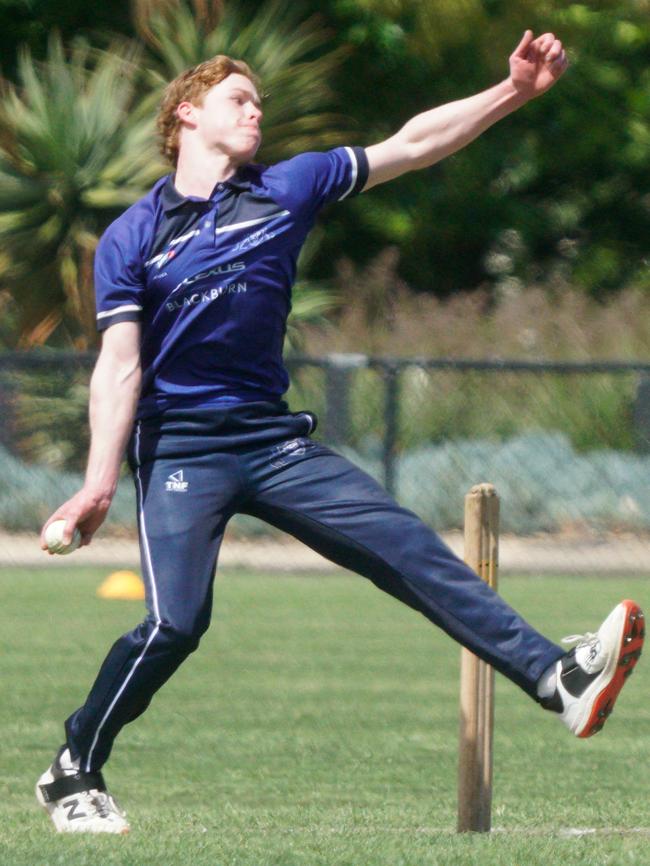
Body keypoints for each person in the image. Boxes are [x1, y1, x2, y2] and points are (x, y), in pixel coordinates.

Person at [35, 30, 644, 834]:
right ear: (186, 113)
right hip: (181, 448)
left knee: (408, 546)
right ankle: (75, 765)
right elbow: (119, 366)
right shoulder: (132, 236)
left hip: (272, 442)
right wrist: (98, 484)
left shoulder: (288, 186)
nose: (257, 110)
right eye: (238, 99)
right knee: (175, 623)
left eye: (260, 100)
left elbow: (414, 144)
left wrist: (515, 93)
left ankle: (558, 681)